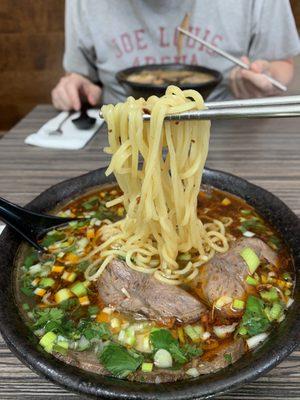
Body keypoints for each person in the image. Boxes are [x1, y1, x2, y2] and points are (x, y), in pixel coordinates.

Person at [51, 0, 300, 111]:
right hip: (122, 134)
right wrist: (77, 86)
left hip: (224, 127)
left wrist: (265, 77)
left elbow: (281, 63)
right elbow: (82, 75)